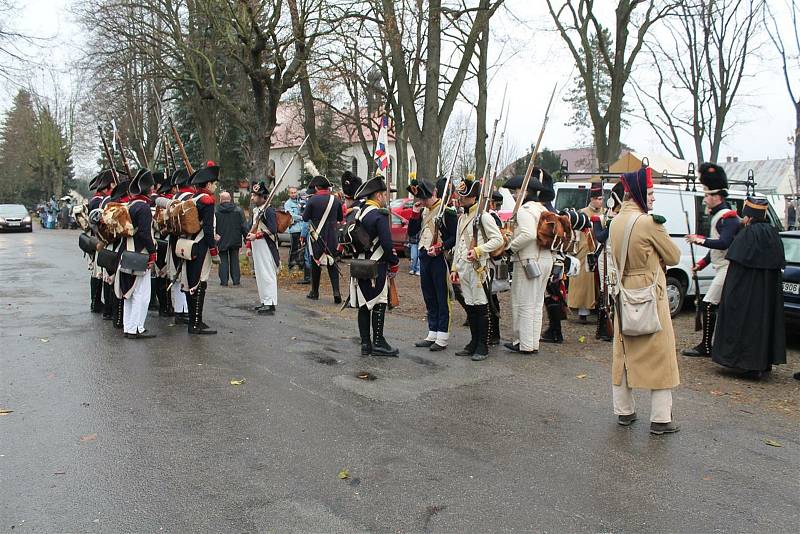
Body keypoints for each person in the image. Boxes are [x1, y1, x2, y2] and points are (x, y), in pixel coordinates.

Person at [609, 167, 681, 435]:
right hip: (652, 292)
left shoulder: (614, 221)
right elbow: (673, 257)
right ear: (639, 193)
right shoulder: (650, 223)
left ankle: (624, 411)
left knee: (623, 354)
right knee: (661, 355)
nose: (653, 199)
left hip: (623, 291)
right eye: (650, 193)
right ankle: (661, 419)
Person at [712, 197, 786, 378]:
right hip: (767, 296)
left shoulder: (747, 234)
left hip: (747, 294)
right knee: (764, 324)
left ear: (749, 217)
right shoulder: (773, 234)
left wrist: (730, 295)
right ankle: (763, 362)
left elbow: (736, 271)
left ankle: (745, 363)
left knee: (746, 324)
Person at [682, 163, 740, 358]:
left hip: (728, 268)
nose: (705, 199)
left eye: (707, 195)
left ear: (717, 196)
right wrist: (701, 264)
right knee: (709, 304)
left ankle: (706, 346)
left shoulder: (729, 217)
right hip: (721, 266)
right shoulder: (720, 216)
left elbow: (723, 244)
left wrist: (698, 239)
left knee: (707, 304)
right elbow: (714, 251)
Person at [450, 179, 504, 361]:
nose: (459, 199)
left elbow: (498, 240)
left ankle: (483, 345)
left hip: (479, 268)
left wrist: (480, 250)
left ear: (473, 197)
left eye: (463, 196)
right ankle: (473, 342)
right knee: (471, 307)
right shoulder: (462, 218)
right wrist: (454, 267)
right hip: (464, 268)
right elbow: (458, 244)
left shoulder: (484, 217)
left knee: (481, 307)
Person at [349, 176, 400, 356]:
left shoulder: (359, 212)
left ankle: (365, 344)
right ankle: (378, 342)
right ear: (378, 196)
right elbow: (387, 244)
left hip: (359, 264)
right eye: (384, 195)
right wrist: (394, 262)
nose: (386, 198)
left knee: (364, 305)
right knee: (379, 302)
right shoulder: (379, 215)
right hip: (375, 265)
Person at [503, 171, 553, 354]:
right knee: (536, 304)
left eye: (516, 191)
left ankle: (523, 344)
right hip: (545, 259)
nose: (515, 195)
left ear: (524, 191)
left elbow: (528, 235)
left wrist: (510, 248)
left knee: (524, 303)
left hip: (528, 260)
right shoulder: (542, 209)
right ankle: (531, 343)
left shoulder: (525, 211)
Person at [407, 178, 458, 351]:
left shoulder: (447, 211)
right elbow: (412, 233)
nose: (421, 201)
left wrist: (441, 247)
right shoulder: (423, 210)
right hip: (424, 255)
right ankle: (432, 331)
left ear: (433, 194)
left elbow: (454, 236)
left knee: (442, 297)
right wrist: (414, 214)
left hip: (439, 258)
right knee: (429, 296)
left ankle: (442, 336)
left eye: (424, 198)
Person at [116, 169, 158, 339]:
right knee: (141, 294)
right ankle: (136, 328)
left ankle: (129, 326)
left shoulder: (130, 205)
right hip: (139, 255)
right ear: (148, 190)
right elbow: (145, 234)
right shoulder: (144, 208)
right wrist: (153, 253)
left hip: (126, 252)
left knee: (129, 293)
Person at [181, 163, 220, 335]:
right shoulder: (207, 200)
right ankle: (195, 323)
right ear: (209, 184)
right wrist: (213, 249)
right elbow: (208, 229)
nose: (216, 186)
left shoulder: (193, 198)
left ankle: (195, 320)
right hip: (202, 245)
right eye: (214, 183)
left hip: (190, 244)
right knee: (199, 282)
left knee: (193, 281)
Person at [588, 181, 625, 343]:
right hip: (606, 258)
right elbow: (599, 237)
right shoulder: (600, 218)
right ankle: (605, 328)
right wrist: (611, 224)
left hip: (620, 259)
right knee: (607, 293)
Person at [303, 173, 343, 303]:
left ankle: (314, 292)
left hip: (317, 237)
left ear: (317, 188)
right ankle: (336, 292)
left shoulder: (312, 200)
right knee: (332, 263)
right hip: (332, 237)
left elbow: (305, 218)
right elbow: (340, 218)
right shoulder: (335, 200)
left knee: (316, 263)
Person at [568, 182, 602, 322]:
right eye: (598, 198)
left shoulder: (604, 213)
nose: (601, 201)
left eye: (602, 199)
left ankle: (600, 308)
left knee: (599, 280)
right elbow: (575, 233)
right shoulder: (582, 213)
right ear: (592, 199)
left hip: (599, 248)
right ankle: (583, 310)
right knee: (583, 280)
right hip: (584, 248)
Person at [247, 181, 280, 315]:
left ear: (262, 197)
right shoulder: (258, 211)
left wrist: (257, 236)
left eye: (255, 196)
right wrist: (250, 243)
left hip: (266, 246)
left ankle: (270, 302)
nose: (252, 198)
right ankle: (265, 300)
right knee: (260, 274)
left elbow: (273, 229)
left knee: (267, 274)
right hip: (258, 246)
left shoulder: (269, 211)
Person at [167, 169, 194, 325]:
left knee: (176, 277)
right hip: (186, 241)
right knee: (185, 275)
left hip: (173, 240)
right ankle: (184, 310)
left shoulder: (173, 198)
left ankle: (179, 309)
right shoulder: (190, 199)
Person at [87, 169, 114, 314]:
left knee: (98, 274)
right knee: (101, 274)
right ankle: (98, 304)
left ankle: (96, 302)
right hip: (101, 240)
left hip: (98, 240)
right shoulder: (101, 201)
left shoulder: (95, 200)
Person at [215, 191, 248, 287]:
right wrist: (247, 238)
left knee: (223, 260)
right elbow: (243, 226)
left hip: (221, 239)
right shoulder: (238, 210)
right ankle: (236, 281)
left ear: (221, 200)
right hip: (235, 239)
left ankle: (224, 281)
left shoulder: (216, 211)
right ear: (230, 199)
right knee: (235, 260)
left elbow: (213, 226)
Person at [284, 186, 305, 271]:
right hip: (294, 229)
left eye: (295, 192)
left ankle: (301, 263)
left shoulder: (301, 201)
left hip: (302, 228)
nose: (293, 194)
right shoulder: (288, 204)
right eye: (292, 193)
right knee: (294, 247)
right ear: (289, 194)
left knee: (302, 247)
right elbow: (291, 215)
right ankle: (291, 264)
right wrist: (301, 217)